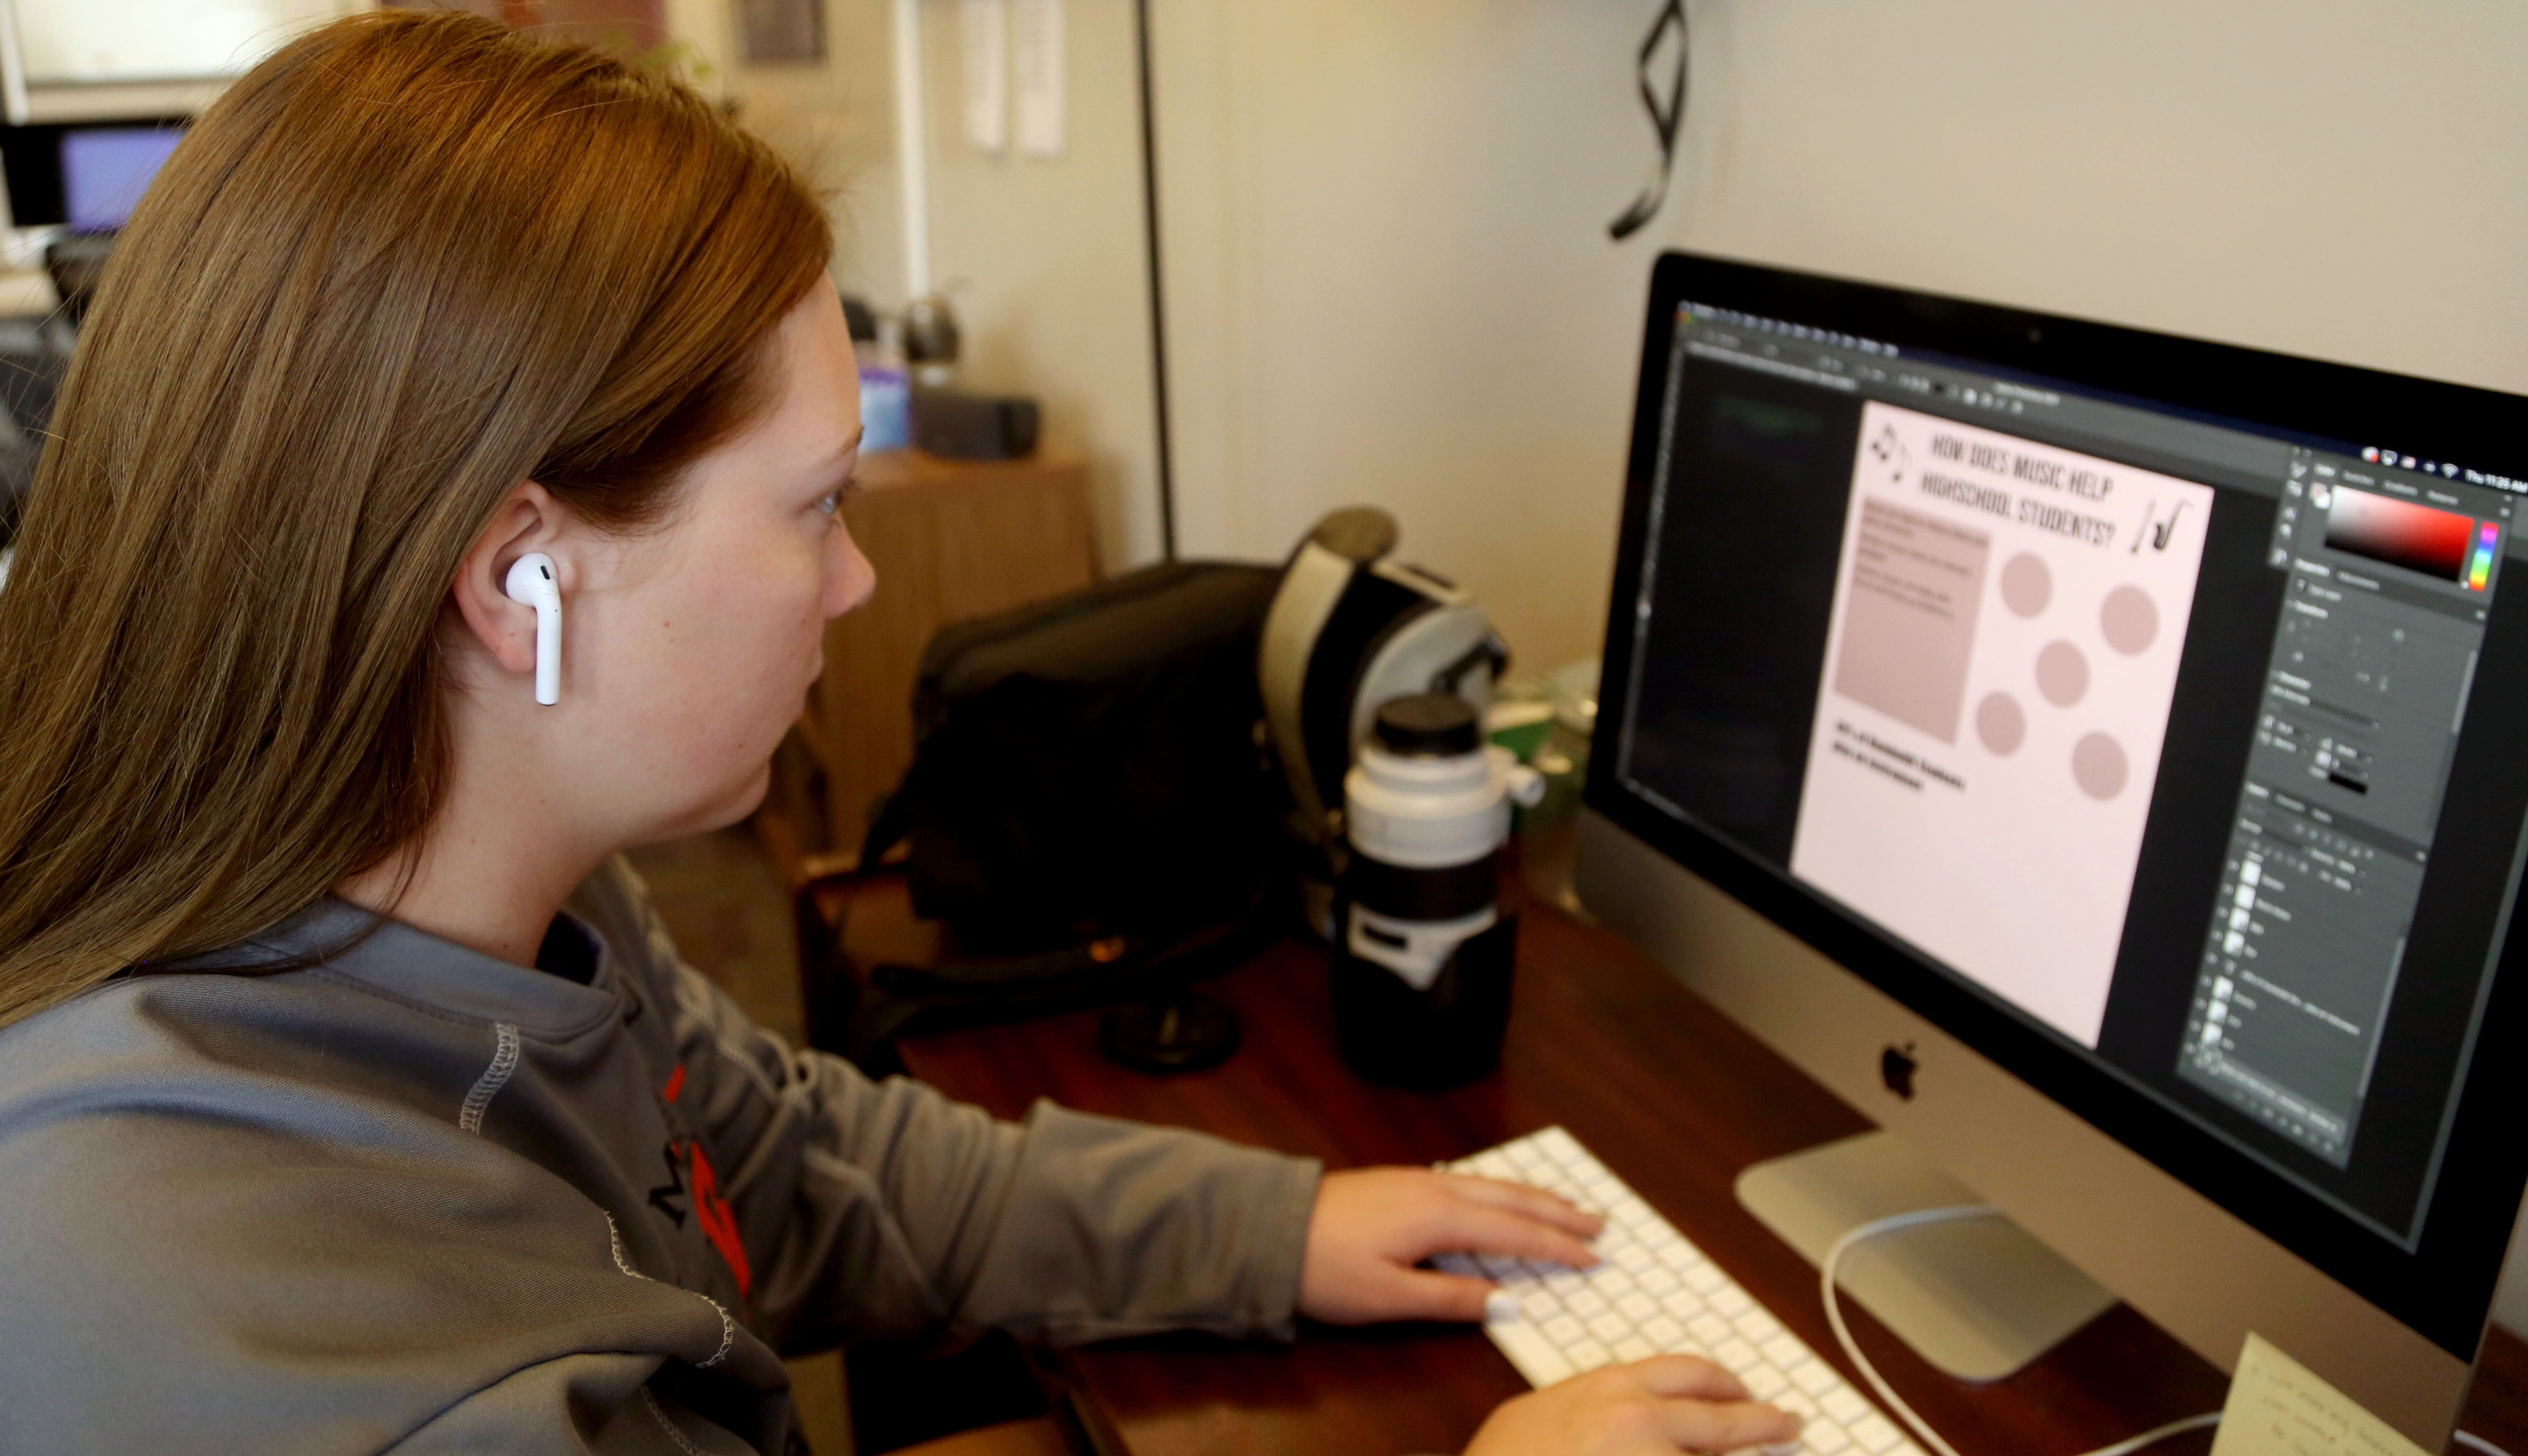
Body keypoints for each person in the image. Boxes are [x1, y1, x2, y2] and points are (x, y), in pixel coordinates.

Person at [0, 14, 1799, 1456]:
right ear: (520, 579)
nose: (858, 586)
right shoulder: (303, 1346)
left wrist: (1277, 1230)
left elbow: (780, 1165)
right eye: (817, 508)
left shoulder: (506, 886)